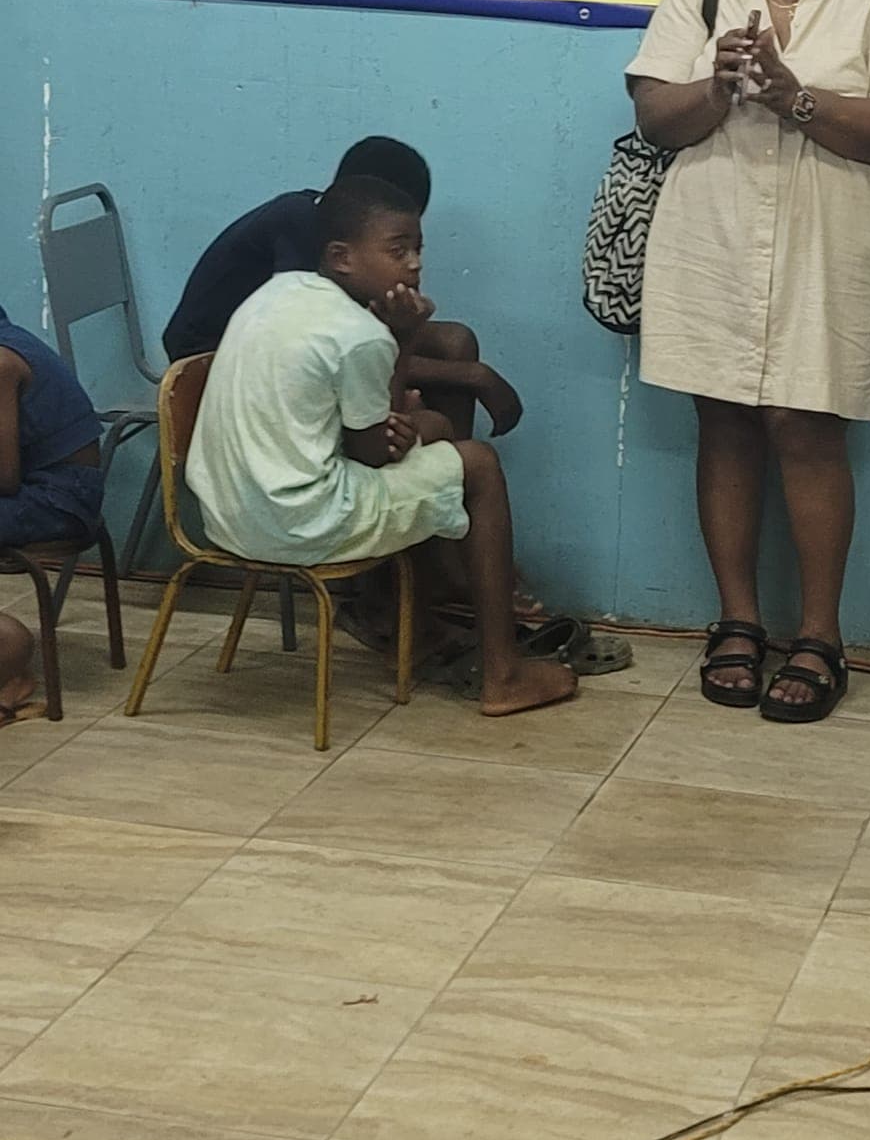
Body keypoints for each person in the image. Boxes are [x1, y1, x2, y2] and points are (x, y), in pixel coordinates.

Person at [626, 0, 870, 722]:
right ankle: (737, 622)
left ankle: (820, 636)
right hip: (712, 233)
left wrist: (794, 95)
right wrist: (718, 87)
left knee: (807, 427)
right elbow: (654, 119)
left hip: (830, 244)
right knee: (723, 419)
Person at [185, 176, 575, 718]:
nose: (414, 265)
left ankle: (418, 613)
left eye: (418, 249)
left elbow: (378, 432)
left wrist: (414, 423)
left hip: (225, 517)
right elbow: (376, 454)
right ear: (341, 257)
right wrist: (406, 341)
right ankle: (502, 674)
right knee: (479, 465)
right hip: (298, 525)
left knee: (434, 427)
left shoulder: (278, 291)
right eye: (397, 250)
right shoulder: (359, 334)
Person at [163, 136, 520, 443]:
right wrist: (474, 376)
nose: (412, 260)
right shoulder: (305, 227)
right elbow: (318, 349)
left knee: (454, 341)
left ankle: (443, 494)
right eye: (397, 245)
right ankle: (426, 484)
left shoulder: (329, 225)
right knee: (435, 413)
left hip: (305, 348)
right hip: (213, 359)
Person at [0, 301, 105, 727]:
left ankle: (9, 669)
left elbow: (4, 479)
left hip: (56, 500)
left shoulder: (2, 362)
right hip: (39, 487)